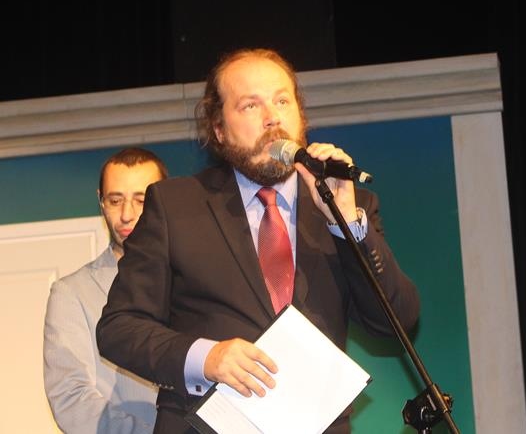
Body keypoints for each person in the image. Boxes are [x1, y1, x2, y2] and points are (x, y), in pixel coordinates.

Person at [96, 48, 420, 433]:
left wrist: (346, 222)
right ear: (219, 128)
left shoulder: (346, 205)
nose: (272, 118)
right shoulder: (174, 205)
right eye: (250, 105)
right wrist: (206, 358)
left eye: (282, 101)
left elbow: (397, 321)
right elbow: (119, 328)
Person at [43, 147, 168, 434]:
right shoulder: (72, 293)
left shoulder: (195, 280)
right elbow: (71, 399)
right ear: (101, 202)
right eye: (115, 200)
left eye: (141, 200)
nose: (126, 215)